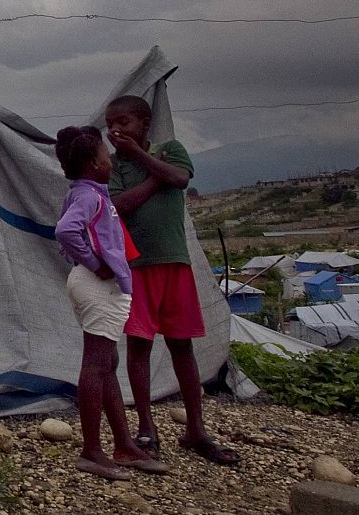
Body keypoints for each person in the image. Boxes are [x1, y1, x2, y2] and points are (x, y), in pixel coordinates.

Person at [107, 94, 239, 466]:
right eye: (110, 124)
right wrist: (155, 177)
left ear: (144, 124)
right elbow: (118, 206)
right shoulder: (115, 165)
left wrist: (146, 161)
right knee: (139, 346)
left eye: (123, 123)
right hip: (136, 267)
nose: (115, 130)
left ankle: (196, 429)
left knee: (182, 345)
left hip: (173, 263)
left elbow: (180, 178)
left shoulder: (170, 149)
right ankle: (147, 428)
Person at [54, 126, 167, 481]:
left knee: (106, 362)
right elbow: (65, 230)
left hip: (94, 285)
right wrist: (96, 263)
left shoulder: (87, 192)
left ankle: (122, 445)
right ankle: (92, 451)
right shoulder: (90, 196)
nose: (111, 161)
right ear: (93, 163)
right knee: (96, 363)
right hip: (97, 286)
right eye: (106, 156)